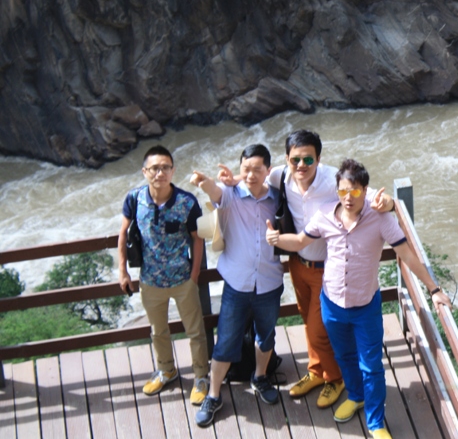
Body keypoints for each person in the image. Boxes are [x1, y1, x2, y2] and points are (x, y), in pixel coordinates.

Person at [266, 158, 451, 439]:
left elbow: (406, 254)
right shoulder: (326, 215)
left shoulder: (380, 219)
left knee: (372, 365)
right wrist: (276, 239)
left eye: (354, 191)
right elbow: (301, 242)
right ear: (336, 190)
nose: (348, 197)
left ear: (365, 190)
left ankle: (376, 422)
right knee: (344, 355)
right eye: (343, 191)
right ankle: (355, 396)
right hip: (332, 304)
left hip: (365, 306)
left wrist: (434, 290)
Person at [218, 129, 395, 410]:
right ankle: (316, 371)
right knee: (306, 321)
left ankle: (335, 379)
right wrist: (235, 179)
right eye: (295, 160)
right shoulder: (282, 175)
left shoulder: (332, 181)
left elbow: (372, 196)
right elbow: (258, 175)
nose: (301, 166)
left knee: (318, 328)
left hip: (328, 269)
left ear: (318, 158)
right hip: (298, 263)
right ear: (287, 160)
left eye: (308, 160)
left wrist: (390, 203)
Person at [190, 144, 284, 428]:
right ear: (239, 169)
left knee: (266, 337)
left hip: (269, 282)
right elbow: (214, 193)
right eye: (246, 169)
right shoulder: (229, 193)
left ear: (268, 170)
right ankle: (215, 395)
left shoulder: (278, 198)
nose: (251, 174)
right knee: (226, 341)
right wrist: (205, 181)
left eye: (257, 169)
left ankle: (260, 377)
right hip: (237, 285)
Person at [117, 145, 210, 405]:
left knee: (195, 331)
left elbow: (197, 239)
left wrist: (194, 275)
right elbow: (123, 234)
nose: (160, 172)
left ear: (173, 170)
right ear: (145, 171)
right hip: (150, 281)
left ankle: (201, 377)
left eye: (165, 167)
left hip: (182, 280)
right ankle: (166, 370)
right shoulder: (134, 199)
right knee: (158, 331)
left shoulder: (186, 202)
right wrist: (123, 271)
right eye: (155, 168)